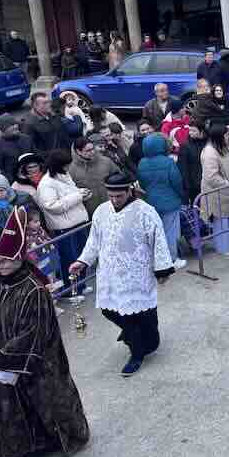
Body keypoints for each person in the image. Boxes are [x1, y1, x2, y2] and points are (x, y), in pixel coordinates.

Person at [0, 206, 90, 457]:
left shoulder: (34, 290)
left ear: (19, 259)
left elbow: (34, 331)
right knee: (4, 412)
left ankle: (55, 439)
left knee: (44, 403)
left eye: (4, 262)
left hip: (35, 362)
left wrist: (9, 361)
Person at [71, 172, 173, 376]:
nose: (115, 200)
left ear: (129, 190)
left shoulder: (146, 211)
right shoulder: (101, 211)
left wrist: (162, 269)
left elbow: (159, 241)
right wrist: (82, 261)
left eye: (119, 195)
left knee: (142, 314)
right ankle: (136, 344)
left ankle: (139, 351)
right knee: (109, 310)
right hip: (109, 273)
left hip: (137, 273)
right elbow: (94, 241)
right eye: (111, 196)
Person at [35, 149, 90, 280]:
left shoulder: (64, 175)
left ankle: (80, 284)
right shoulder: (46, 184)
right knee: (69, 258)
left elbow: (70, 193)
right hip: (64, 227)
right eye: (66, 164)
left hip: (77, 222)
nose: (68, 167)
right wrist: (78, 196)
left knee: (80, 256)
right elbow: (52, 206)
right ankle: (71, 289)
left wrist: (81, 193)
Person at [136, 132, 186, 269]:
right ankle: (172, 259)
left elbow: (142, 183)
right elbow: (177, 182)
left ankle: (156, 259)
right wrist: (182, 196)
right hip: (170, 202)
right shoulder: (168, 162)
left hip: (151, 202)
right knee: (171, 232)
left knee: (156, 233)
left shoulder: (142, 163)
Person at [199, 124, 229, 257]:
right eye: (226, 135)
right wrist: (226, 183)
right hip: (217, 193)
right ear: (218, 137)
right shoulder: (209, 152)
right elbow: (211, 176)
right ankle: (223, 247)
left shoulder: (223, 147)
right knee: (221, 221)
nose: (228, 137)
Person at [69, 135, 120, 217]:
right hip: (92, 211)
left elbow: (119, 178)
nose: (92, 152)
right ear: (78, 151)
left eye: (93, 148)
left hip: (112, 205)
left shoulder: (105, 161)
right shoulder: (72, 170)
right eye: (88, 150)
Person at [0, 115, 31, 184]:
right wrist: (17, 181)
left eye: (15, 124)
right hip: (12, 184)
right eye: (11, 125)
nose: (15, 126)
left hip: (31, 179)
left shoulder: (26, 139)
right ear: (3, 129)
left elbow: (35, 158)